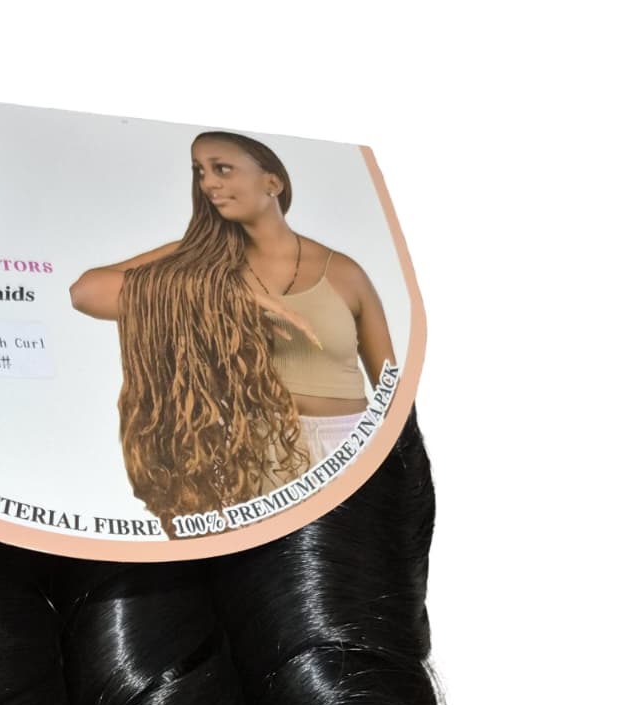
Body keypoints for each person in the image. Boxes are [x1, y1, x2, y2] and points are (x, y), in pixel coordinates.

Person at [69, 131, 396, 524]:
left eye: (222, 169)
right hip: (252, 454)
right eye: (200, 172)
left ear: (272, 182)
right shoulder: (197, 263)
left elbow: (391, 391)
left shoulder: (343, 272)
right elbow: (85, 292)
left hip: (348, 445)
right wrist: (224, 298)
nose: (208, 182)